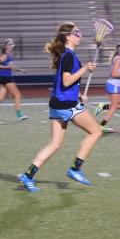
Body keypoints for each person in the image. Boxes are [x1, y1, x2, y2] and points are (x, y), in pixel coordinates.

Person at [18, 22, 101, 192]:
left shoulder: (65, 54)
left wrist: (79, 95)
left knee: (55, 144)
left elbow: (62, 85)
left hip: (56, 103)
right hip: (66, 105)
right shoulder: (69, 55)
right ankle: (75, 169)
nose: (80, 35)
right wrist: (85, 68)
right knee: (96, 131)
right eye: (76, 33)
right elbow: (66, 81)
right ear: (68, 36)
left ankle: (28, 175)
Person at [94, 43, 120, 132]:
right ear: (119, 51)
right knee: (114, 106)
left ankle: (103, 107)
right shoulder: (118, 60)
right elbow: (114, 74)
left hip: (117, 86)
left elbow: (119, 71)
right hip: (113, 85)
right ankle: (102, 125)